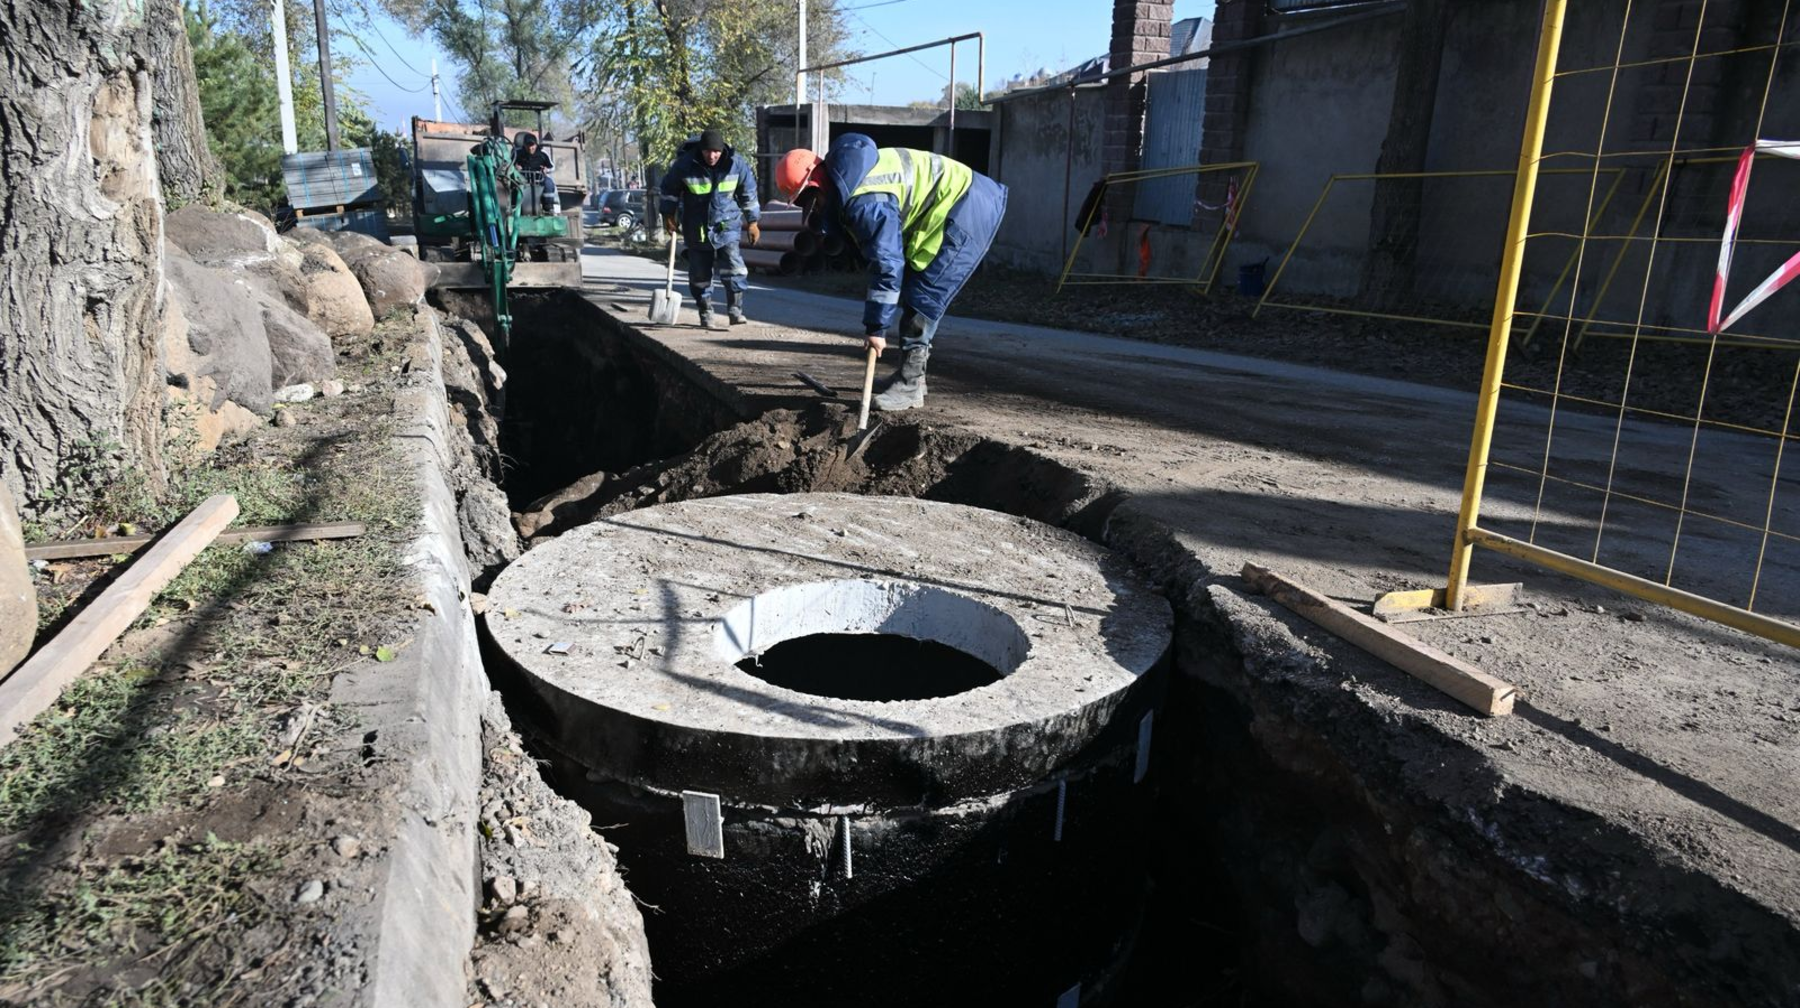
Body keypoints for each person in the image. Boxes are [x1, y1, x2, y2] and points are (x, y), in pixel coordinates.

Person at [775, 134, 1007, 411]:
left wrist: (876, 329)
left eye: (811, 201)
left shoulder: (865, 201)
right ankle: (911, 378)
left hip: (966, 208)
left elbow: (886, 263)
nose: (815, 209)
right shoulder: (850, 176)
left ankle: (909, 386)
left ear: (816, 184)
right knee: (913, 287)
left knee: (924, 296)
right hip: (951, 206)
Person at [661, 129, 761, 328]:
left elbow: (748, 193)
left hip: (727, 225)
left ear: (722, 150)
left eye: (716, 151)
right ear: (701, 149)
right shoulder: (685, 165)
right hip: (696, 227)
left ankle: (735, 311)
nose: (712, 155)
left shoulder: (736, 165)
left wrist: (753, 222)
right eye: (707, 151)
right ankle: (706, 312)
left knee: (734, 267)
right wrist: (668, 215)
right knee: (700, 274)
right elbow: (669, 191)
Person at [512, 132, 558, 213]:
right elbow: (508, 165)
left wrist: (546, 169)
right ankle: (513, 206)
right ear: (524, 145)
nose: (530, 148)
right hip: (521, 179)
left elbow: (552, 167)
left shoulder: (543, 153)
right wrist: (515, 168)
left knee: (549, 183)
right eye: (528, 145)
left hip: (539, 179)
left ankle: (548, 207)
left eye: (532, 145)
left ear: (536, 145)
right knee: (510, 183)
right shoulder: (517, 153)